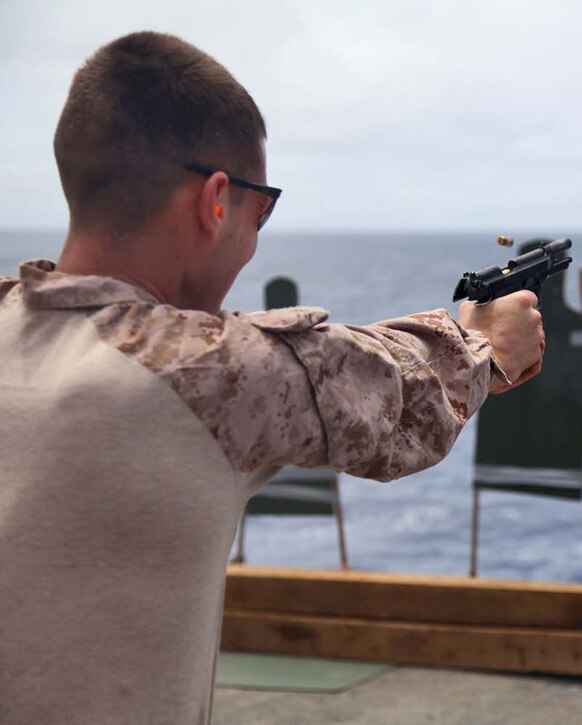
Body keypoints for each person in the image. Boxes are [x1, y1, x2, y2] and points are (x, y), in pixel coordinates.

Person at [0, 31, 544, 723]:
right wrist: (486, 343)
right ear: (216, 201)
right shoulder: (203, 370)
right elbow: (405, 399)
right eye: (262, 210)